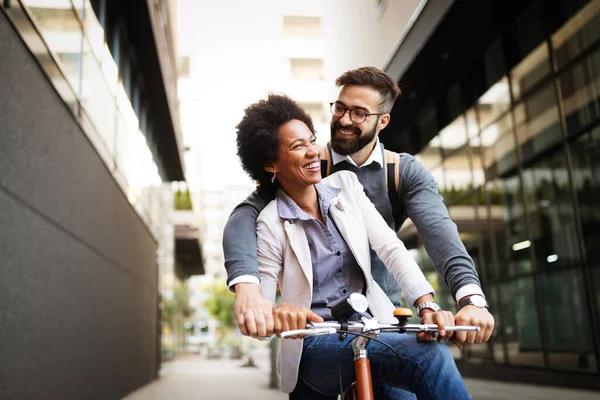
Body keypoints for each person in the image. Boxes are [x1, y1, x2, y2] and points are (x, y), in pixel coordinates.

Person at [224, 66, 494, 348]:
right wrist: (248, 289)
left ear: (383, 121)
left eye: (359, 113)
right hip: (318, 328)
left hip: (385, 315)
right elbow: (244, 216)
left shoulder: (401, 171)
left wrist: (470, 300)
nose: (344, 120)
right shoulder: (306, 168)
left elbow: (437, 237)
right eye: (339, 108)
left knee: (417, 374)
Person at [235, 93, 471, 399]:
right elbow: (262, 305)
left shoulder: (345, 186)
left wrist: (426, 304)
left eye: (311, 141)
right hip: (315, 342)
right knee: (430, 357)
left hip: (373, 329)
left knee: (419, 372)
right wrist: (278, 313)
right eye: (297, 146)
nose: (312, 153)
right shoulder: (269, 222)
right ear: (270, 164)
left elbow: (391, 248)